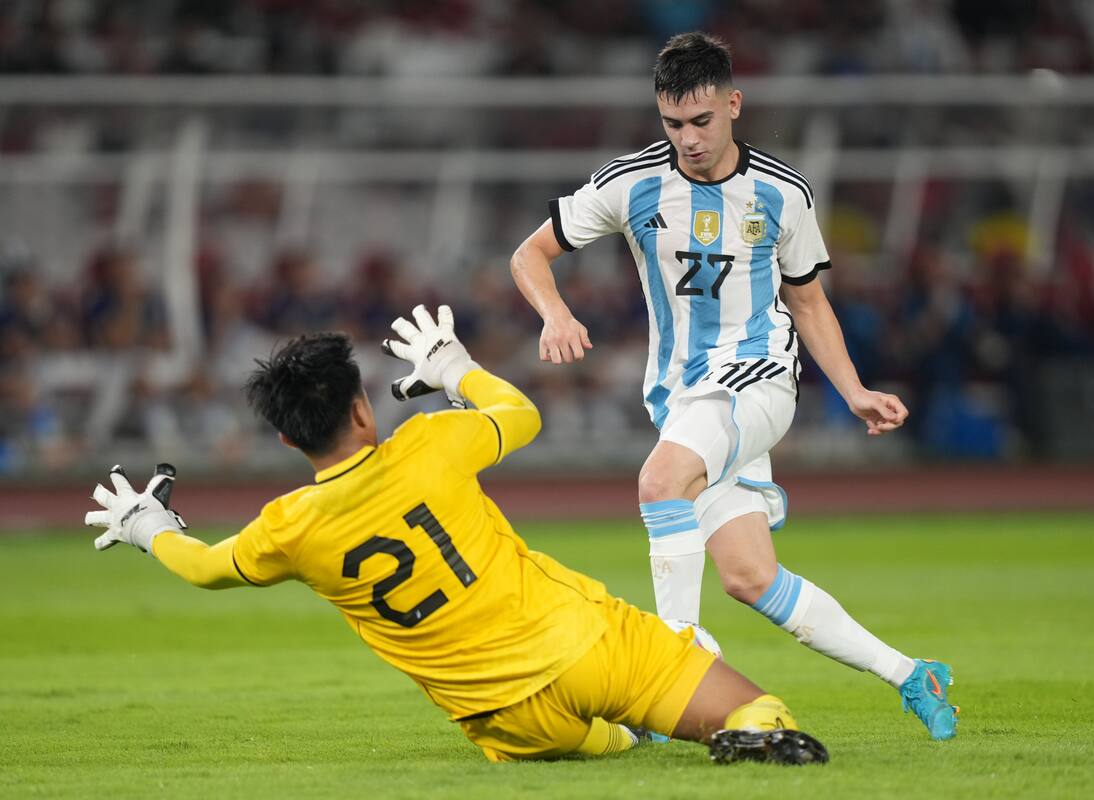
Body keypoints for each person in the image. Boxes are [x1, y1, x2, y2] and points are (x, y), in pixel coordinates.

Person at [84, 304, 828, 767]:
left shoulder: (288, 527)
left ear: (287, 439)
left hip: (503, 720)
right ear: (363, 411)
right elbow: (522, 416)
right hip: (584, 646)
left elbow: (204, 567)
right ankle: (740, 730)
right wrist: (456, 370)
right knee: (753, 710)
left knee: (612, 746)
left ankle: (619, 737)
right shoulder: (427, 443)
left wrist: (149, 526)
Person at [509, 32, 958, 740]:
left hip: (759, 374)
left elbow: (807, 301)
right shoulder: (630, 183)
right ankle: (911, 674)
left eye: (702, 120)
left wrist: (852, 390)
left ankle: (671, 666)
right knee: (750, 578)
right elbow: (529, 255)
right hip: (681, 397)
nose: (688, 139)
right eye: (673, 123)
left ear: (734, 105)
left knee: (660, 482)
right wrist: (555, 313)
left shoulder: (783, 193)